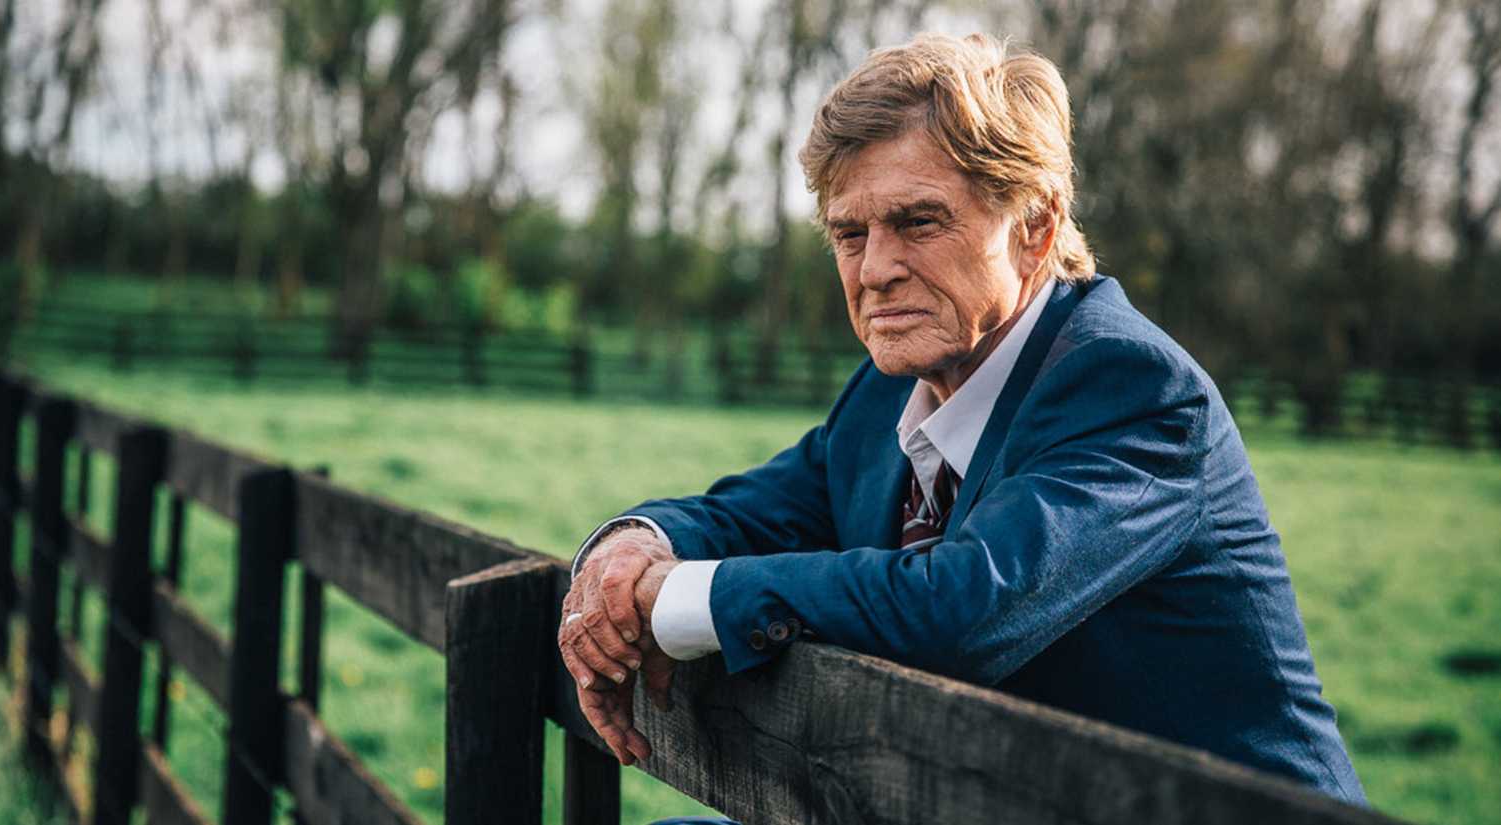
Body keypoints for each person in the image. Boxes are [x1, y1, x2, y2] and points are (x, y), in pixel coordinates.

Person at [556, 32, 1366, 804]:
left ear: (1036, 228)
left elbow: (962, 608)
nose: (875, 270)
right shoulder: (887, 388)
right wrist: (633, 551)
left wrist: (676, 602)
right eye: (849, 233)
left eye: (919, 221)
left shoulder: (1129, 387)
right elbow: (752, 514)